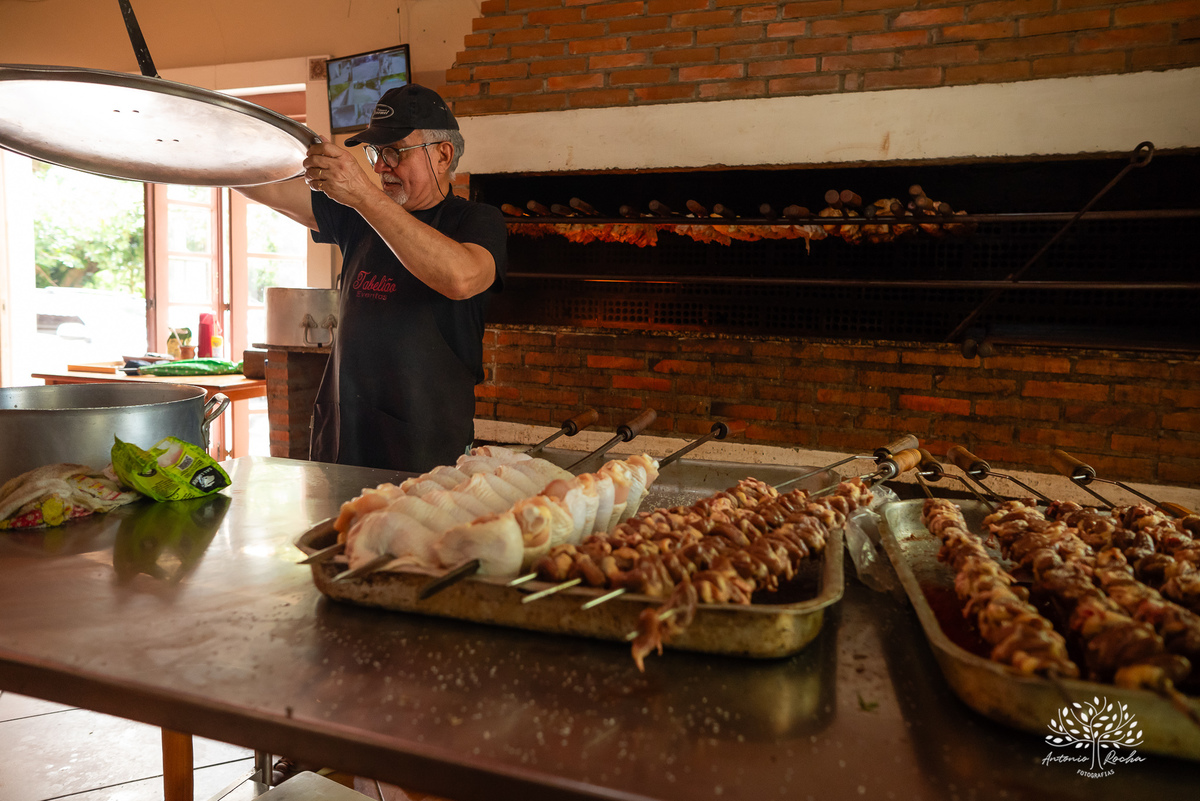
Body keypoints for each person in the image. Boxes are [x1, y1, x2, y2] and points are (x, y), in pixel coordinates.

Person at [238, 84, 507, 473]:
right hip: (342, 439)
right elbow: (263, 186)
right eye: (376, 153)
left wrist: (361, 193)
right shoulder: (355, 215)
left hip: (424, 448)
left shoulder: (476, 221)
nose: (381, 166)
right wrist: (209, 143)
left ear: (443, 155)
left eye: (394, 152)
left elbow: (460, 278)